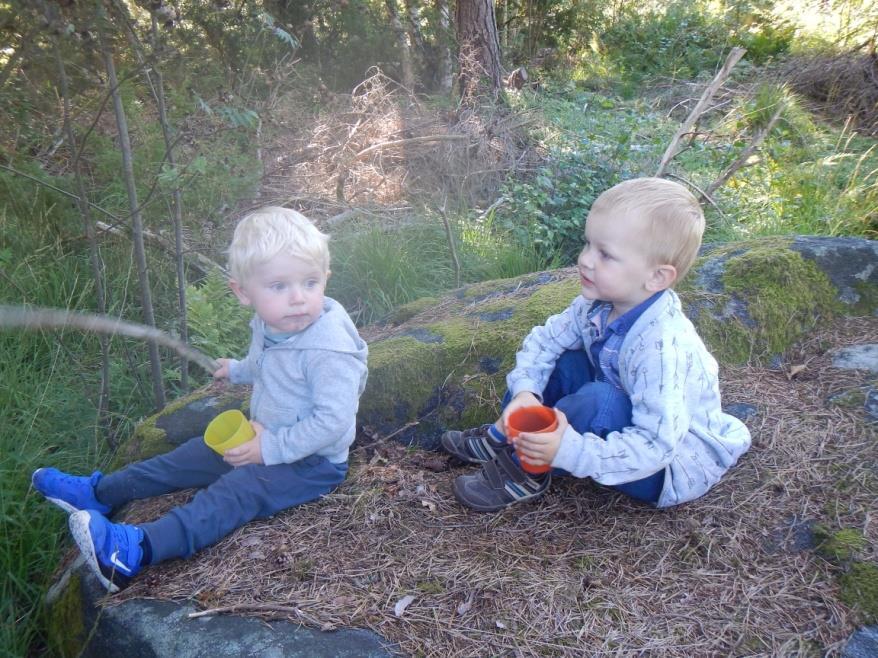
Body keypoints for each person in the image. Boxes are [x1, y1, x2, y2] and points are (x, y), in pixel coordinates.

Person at [32, 207, 368, 591]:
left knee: (238, 490)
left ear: (326, 277)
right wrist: (238, 370)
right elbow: (265, 361)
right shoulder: (272, 323)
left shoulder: (330, 351)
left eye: (310, 282)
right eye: (279, 286)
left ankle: (134, 551)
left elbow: (333, 423)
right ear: (243, 292)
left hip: (312, 462)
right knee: (190, 455)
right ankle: (99, 493)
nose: (298, 299)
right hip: (262, 434)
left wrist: (268, 448)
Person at [442, 177, 751, 512]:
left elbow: (657, 446)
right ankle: (504, 435)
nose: (586, 260)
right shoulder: (598, 304)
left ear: (657, 277)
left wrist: (568, 451)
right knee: (564, 361)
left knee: (599, 400)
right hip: (628, 417)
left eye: (606, 254)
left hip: (664, 467)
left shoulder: (662, 347)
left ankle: (526, 468)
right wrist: (525, 393)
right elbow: (544, 341)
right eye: (588, 244)